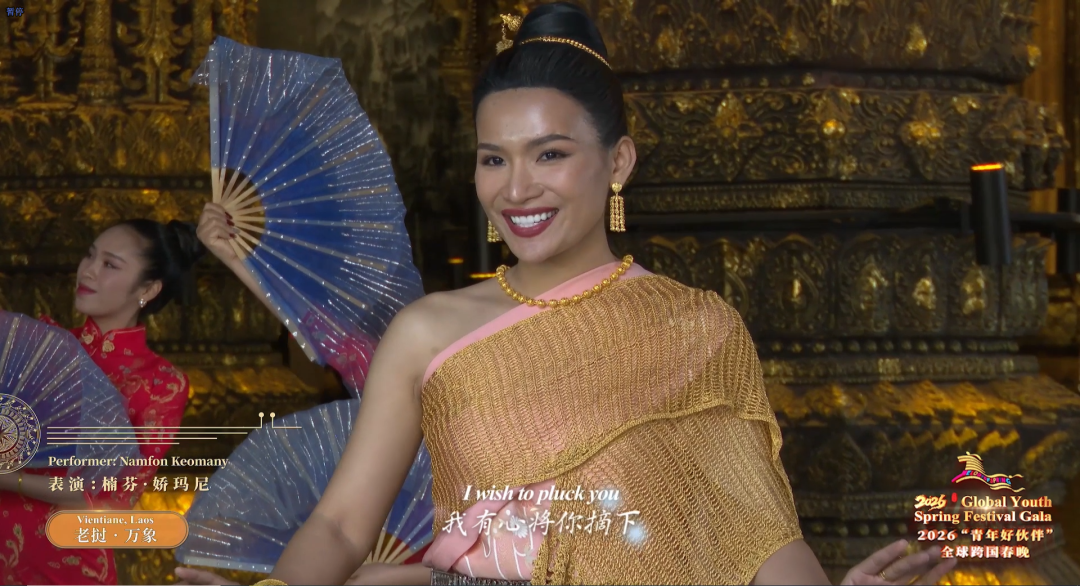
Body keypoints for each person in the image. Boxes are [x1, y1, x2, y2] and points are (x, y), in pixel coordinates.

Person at [188, 3, 959, 585]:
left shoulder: (698, 328)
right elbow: (339, 526)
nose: (516, 189)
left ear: (618, 161)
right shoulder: (430, 332)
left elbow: (756, 535)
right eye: (494, 159)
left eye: (550, 155)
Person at [0, 219, 205, 586]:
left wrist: (11, 479)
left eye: (110, 264)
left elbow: (112, 504)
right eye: (90, 255)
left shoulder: (159, 384)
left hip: (63, 565)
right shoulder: (43, 348)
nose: (89, 270)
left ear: (148, 289)